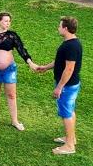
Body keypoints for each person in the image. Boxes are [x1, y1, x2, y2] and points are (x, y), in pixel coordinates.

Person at [33, 16, 83, 155]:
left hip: (67, 86)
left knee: (66, 114)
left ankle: (69, 146)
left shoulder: (71, 46)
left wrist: (59, 87)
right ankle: (71, 138)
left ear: (65, 28)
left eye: (60, 26)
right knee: (70, 111)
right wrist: (45, 67)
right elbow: (59, 61)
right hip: (71, 84)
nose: (58, 28)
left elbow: (69, 69)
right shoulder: (72, 43)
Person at [0, 11, 38, 131]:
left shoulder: (12, 35)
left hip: (9, 70)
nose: (8, 23)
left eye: (9, 21)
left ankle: (15, 121)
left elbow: (21, 49)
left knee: (11, 95)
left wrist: (30, 62)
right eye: (6, 21)